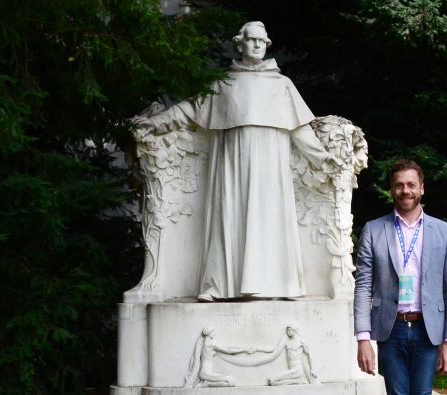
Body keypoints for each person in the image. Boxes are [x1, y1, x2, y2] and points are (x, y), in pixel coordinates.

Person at [133, 21, 332, 300]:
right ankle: (221, 286)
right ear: (240, 44)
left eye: (262, 42)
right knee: (230, 216)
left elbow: (299, 127)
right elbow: (190, 110)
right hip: (232, 162)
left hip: (269, 164)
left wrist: (322, 159)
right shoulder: (223, 84)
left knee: (268, 218)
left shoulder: (281, 85)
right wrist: (157, 123)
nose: (257, 46)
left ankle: (274, 285)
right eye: (252, 41)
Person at [353, 159, 447, 395]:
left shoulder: (444, 232)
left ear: (422, 188)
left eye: (411, 185)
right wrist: (363, 339)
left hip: (428, 328)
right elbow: (363, 287)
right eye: (399, 185)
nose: (406, 190)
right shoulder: (373, 231)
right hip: (390, 329)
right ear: (392, 189)